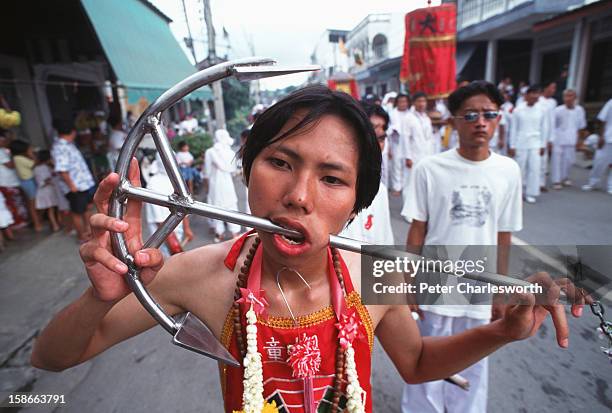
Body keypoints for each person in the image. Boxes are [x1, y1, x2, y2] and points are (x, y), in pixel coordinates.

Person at [31, 85, 586, 413]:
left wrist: (502, 331)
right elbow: (51, 358)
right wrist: (98, 298)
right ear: (247, 170)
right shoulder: (197, 275)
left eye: (332, 179)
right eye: (280, 163)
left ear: (356, 203)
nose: (298, 197)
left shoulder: (377, 275)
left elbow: (415, 364)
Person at [401, 80, 523, 413]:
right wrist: (409, 283)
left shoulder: (508, 171)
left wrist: (501, 290)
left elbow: (503, 233)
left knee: (474, 364)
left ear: (498, 119)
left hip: (480, 288)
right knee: (427, 360)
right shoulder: (430, 169)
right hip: (436, 283)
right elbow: (417, 230)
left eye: (489, 114)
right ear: (454, 120)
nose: (481, 122)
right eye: (470, 115)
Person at [341, 104, 394, 245]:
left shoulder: (380, 191)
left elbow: (385, 241)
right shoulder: (331, 187)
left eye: (383, 130)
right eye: (372, 128)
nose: (379, 134)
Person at [51, 118, 96, 242]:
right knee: (77, 212)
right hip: (76, 186)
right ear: (73, 131)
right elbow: (62, 170)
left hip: (83, 183)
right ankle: (82, 236)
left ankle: (88, 232)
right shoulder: (60, 147)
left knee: (86, 208)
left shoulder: (68, 144)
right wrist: (72, 186)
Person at [508, 85, 548, 204]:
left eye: (537, 94)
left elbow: (544, 128)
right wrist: (512, 145)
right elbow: (513, 129)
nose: (535, 96)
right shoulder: (518, 110)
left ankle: (531, 193)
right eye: (533, 94)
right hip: (521, 142)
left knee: (534, 168)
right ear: (526, 95)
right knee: (520, 168)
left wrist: (543, 145)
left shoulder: (542, 110)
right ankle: (518, 193)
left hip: (536, 142)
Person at [399, 91, 436, 213]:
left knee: (423, 183)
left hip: (426, 155)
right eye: (419, 101)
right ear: (414, 103)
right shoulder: (408, 118)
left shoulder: (426, 118)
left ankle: (420, 210)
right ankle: (408, 211)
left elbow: (430, 138)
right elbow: (405, 138)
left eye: (423, 101)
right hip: (413, 156)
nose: (421, 104)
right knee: (410, 184)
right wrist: (407, 157)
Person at [207, 129, 240, 242]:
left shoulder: (210, 152)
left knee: (216, 206)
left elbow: (207, 172)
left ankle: (219, 233)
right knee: (231, 205)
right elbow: (234, 170)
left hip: (215, 183)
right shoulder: (230, 152)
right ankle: (235, 232)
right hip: (227, 183)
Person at [550, 89, 586, 189]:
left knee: (569, 160)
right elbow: (552, 126)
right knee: (556, 160)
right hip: (558, 138)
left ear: (575, 98)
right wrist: (551, 140)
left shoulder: (579, 110)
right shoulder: (558, 110)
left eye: (571, 96)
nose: (568, 99)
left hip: (572, 139)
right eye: (566, 96)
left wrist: (580, 141)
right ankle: (556, 180)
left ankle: (565, 177)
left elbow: (581, 127)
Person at [10, 139, 43, 231]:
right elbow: (34, 164)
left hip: (28, 181)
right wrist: (32, 155)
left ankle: (37, 221)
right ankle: (37, 224)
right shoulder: (19, 158)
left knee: (33, 203)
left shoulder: (17, 158)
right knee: (32, 204)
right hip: (28, 182)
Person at [582, 98, 612, 195]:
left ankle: (611, 186)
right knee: (599, 161)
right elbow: (602, 120)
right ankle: (593, 183)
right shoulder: (611, 102)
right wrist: (601, 136)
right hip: (608, 137)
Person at [0, 132, 28, 228]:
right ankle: (18, 223)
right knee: (14, 203)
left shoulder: (4, 150)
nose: (5, 141)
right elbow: (10, 165)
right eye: (3, 140)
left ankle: (21, 220)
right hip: (7, 182)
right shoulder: (1, 152)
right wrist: (15, 155)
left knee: (18, 201)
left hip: (11, 181)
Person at [388, 93, 412, 194]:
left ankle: (407, 186)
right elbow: (388, 128)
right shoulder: (392, 114)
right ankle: (397, 187)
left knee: (407, 165)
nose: (403, 104)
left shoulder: (411, 114)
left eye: (405, 102)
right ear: (396, 103)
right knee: (396, 164)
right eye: (400, 102)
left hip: (409, 143)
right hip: (395, 142)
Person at [33, 150, 60, 232]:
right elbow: (43, 181)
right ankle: (55, 225)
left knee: (49, 209)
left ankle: (54, 224)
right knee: (50, 209)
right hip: (47, 190)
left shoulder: (36, 168)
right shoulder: (46, 167)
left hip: (46, 190)